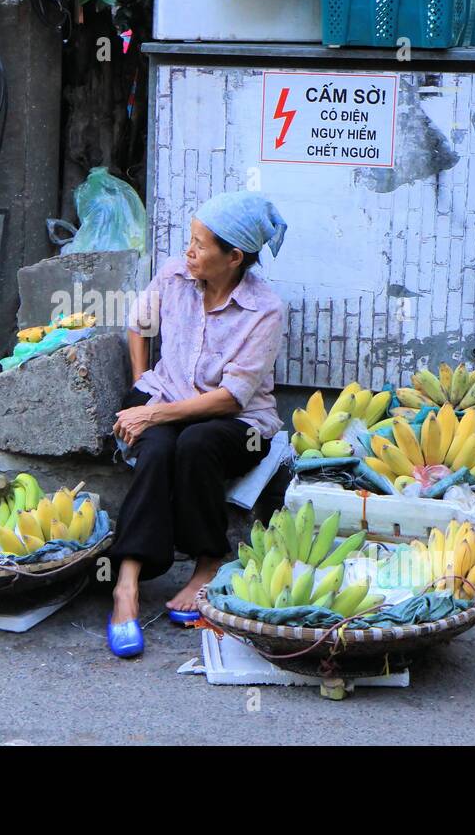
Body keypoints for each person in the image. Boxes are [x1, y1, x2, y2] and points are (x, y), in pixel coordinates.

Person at [106, 191, 287, 659]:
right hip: (166, 392)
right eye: (189, 239)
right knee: (159, 448)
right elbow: (139, 325)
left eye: (200, 244)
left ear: (234, 257)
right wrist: (142, 385)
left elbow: (231, 398)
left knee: (196, 443)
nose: (189, 251)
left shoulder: (265, 309)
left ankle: (207, 562)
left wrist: (151, 412)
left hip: (239, 421)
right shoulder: (174, 274)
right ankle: (125, 582)